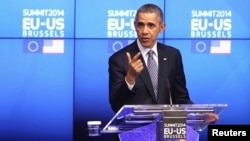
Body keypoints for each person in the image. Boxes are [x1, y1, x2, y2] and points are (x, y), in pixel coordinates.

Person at [108, 3, 218, 141]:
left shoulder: (173, 55)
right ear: (134, 25)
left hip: (167, 134)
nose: (144, 31)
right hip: (133, 135)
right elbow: (115, 105)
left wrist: (199, 114)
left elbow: (180, 98)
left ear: (162, 27)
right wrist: (130, 78)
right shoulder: (119, 59)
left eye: (151, 25)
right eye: (140, 25)